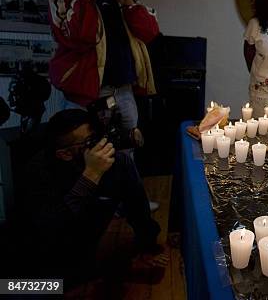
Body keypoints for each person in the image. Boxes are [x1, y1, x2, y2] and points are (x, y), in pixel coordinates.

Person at [18, 109, 163, 286]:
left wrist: (147, 248)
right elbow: (52, 231)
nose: (100, 145)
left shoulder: (117, 164)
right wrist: (91, 175)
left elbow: (139, 211)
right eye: (89, 142)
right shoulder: (38, 173)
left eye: (96, 136)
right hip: (40, 267)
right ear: (65, 154)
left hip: (88, 255)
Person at [49, 0, 159, 151]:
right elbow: (81, 37)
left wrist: (128, 3)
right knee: (83, 155)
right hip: (85, 95)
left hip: (124, 90)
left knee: (125, 152)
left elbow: (149, 33)